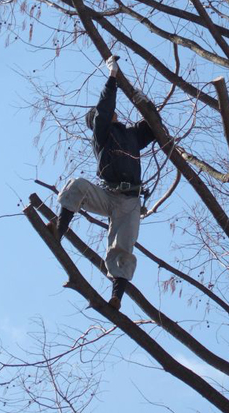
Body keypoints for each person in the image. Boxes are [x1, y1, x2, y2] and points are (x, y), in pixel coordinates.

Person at [49, 55, 155, 310]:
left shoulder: (130, 136)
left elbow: (153, 129)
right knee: (78, 185)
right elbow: (104, 110)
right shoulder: (102, 135)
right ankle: (58, 230)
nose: (112, 114)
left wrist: (147, 105)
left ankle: (116, 296)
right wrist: (112, 79)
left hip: (129, 201)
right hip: (107, 195)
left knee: (122, 246)